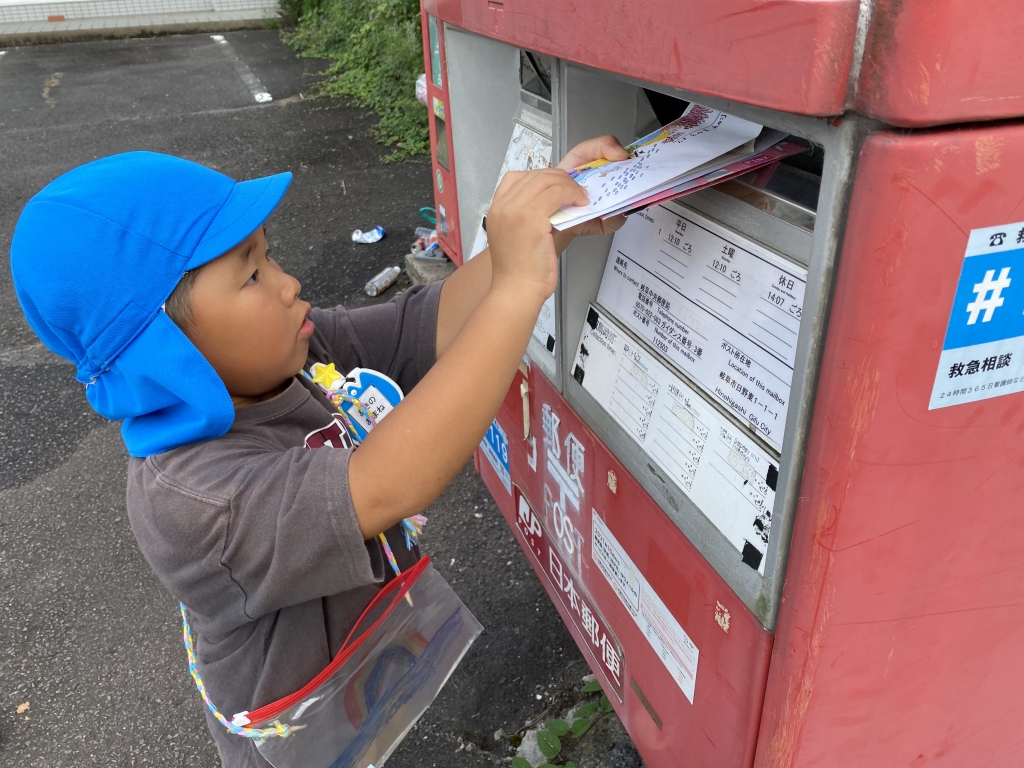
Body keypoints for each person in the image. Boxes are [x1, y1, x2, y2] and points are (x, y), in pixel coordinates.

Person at [9, 137, 628, 766]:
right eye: (252, 274)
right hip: (296, 741)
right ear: (164, 350)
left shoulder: (289, 360)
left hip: (363, 678)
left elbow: (425, 324)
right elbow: (391, 481)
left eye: (269, 254)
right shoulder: (196, 499)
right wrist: (518, 286)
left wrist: (547, 228)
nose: (288, 284)